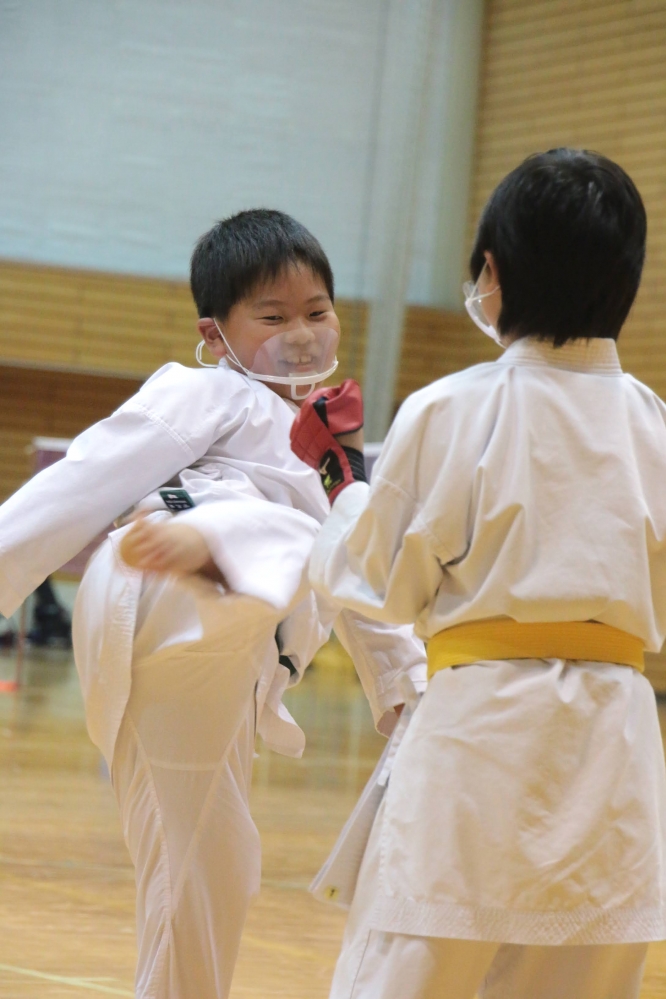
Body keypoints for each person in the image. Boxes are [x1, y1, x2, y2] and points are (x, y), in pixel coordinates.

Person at [0, 209, 426, 999]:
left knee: (212, 870)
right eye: (272, 316)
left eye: (317, 311)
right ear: (215, 333)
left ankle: (229, 551)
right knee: (292, 531)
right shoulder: (205, 392)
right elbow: (77, 483)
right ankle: (219, 545)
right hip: (157, 578)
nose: (300, 334)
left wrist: (405, 693)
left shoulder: (335, 442)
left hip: (228, 649)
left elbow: (361, 571)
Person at [291, 149, 666, 999]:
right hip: (616, 742)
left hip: (480, 737)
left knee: (407, 972)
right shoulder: (655, 423)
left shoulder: (452, 407)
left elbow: (373, 580)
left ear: (491, 274)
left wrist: (339, 480)